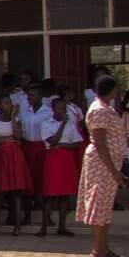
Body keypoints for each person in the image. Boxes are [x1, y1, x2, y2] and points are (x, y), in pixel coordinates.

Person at [80, 74, 129, 257]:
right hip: (102, 165)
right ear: (112, 90)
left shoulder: (105, 108)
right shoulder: (100, 110)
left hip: (107, 163)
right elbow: (100, 142)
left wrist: (124, 142)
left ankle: (103, 248)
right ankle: (99, 250)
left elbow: (107, 137)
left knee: (104, 207)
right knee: (99, 206)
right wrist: (114, 172)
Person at [36, 97, 83, 237]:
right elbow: (52, 141)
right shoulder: (46, 124)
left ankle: (62, 226)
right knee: (49, 195)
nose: (62, 111)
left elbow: (77, 143)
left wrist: (62, 145)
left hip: (66, 159)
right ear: (53, 109)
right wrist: (62, 124)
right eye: (59, 108)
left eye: (64, 109)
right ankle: (44, 227)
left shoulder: (71, 124)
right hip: (53, 160)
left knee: (65, 195)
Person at [0, 97, 32, 236]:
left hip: (15, 157)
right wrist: (8, 139)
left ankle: (17, 227)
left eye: (10, 103)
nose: (10, 105)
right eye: (6, 102)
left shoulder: (16, 120)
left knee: (17, 193)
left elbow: (18, 136)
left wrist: (13, 117)